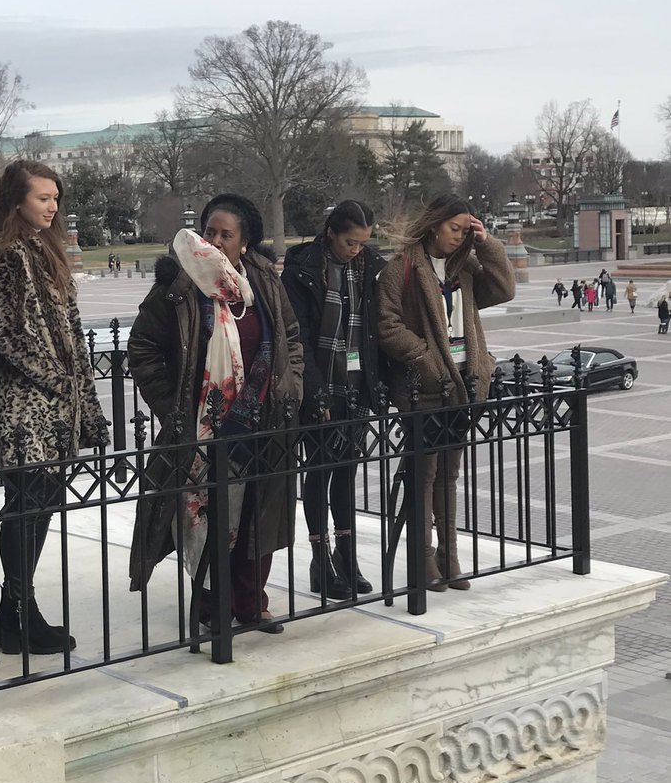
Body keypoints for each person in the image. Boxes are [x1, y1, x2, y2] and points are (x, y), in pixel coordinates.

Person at [128, 193, 303, 631]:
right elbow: (142, 347)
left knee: (256, 515)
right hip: (205, 426)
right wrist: (172, 407)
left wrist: (291, 386)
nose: (217, 240)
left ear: (245, 242)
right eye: (210, 232)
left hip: (263, 417)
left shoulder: (263, 279)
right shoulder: (180, 282)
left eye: (227, 234)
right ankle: (212, 605)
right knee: (209, 517)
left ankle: (251, 603)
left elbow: (291, 338)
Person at [0, 161, 106, 654]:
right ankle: (17, 611)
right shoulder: (7, 252)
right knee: (28, 505)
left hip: (50, 405)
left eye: (55, 197)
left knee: (38, 505)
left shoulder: (43, 248)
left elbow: (69, 331)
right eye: (42, 198)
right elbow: (8, 334)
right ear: (17, 200)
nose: (52, 206)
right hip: (24, 405)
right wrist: (60, 380)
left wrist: (78, 394)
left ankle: (15, 610)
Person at [378, 193, 515, 592]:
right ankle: (422, 558)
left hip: (463, 383)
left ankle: (448, 555)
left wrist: (486, 242)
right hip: (425, 387)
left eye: (463, 229)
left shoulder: (465, 267)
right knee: (424, 475)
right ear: (436, 224)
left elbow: (504, 289)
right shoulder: (401, 269)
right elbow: (387, 326)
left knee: (449, 475)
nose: (458, 236)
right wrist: (425, 358)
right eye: (454, 228)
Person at [282, 200, 385, 599]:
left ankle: (347, 554)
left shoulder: (371, 267)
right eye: (349, 242)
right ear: (331, 233)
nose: (356, 249)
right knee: (320, 471)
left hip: (357, 383)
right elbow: (298, 337)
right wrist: (314, 389)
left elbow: (376, 327)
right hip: (322, 383)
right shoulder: (303, 270)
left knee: (346, 470)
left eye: (362, 242)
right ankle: (319, 557)